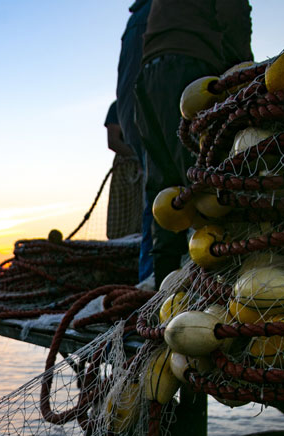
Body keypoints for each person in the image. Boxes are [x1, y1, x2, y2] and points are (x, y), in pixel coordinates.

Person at [135, 0, 252, 286]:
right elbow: (234, 15)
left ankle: (164, 285)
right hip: (190, 65)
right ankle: (226, 281)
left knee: (166, 187)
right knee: (207, 181)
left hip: (149, 74)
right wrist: (243, 73)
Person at [115, 0, 154, 281]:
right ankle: (152, 280)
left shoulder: (137, 21)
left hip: (143, 139)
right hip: (146, 142)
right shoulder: (143, 20)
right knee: (158, 199)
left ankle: (150, 280)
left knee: (157, 200)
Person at [104, 101, 143, 239]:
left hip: (150, 161)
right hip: (127, 166)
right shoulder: (117, 106)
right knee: (122, 214)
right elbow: (113, 141)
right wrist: (138, 158)